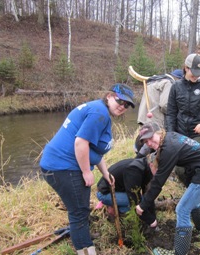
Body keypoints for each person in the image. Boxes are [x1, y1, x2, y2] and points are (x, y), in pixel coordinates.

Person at [39, 83, 135, 255]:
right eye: (120, 101)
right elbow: (80, 143)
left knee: (79, 209)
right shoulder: (99, 114)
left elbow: (92, 150)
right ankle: (85, 249)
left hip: (58, 163)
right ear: (109, 96)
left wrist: (106, 173)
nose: (123, 106)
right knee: (79, 212)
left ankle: (80, 232)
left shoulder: (98, 110)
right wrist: (86, 171)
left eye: (127, 105)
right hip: (62, 166)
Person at [135, 122, 200, 255]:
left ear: (159, 132)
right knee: (192, 200)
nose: (149, 143)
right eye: (145, 141)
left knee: (182, 209)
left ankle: (179, 253)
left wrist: (143, 205)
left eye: (151, 138)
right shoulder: (169, 137)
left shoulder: (169, 148)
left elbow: (158, 181)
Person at [166, 54, 200, 184]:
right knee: (180, 169)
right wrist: (171, 134)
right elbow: (171, 113)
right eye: (194, 73)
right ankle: (188, 188)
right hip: (181, 132)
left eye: (199, 74)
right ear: (186, 68)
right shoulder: (176, 87)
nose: (196, 76)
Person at [96, 156, 158, 228]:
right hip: (105, 193)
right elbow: (134, 200)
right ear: (151, 165)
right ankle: (117, 211)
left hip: (119, 190)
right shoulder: (134, 171)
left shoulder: (147, 169)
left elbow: (147, 194)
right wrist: (151, 220)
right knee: (139, 204)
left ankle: (118, 208)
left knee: (144, 201)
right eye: (158, 170)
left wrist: (153, 216)